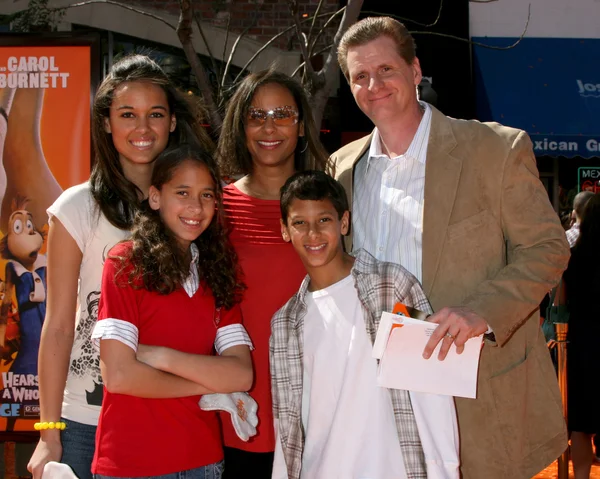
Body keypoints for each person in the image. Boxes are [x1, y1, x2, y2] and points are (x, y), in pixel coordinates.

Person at [331, 16, 570, 479]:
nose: (373, 84)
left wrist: (481, 311)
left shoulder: (494, 150)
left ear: (415, 71)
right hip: (377, 401)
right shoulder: (342, 167)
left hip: (474, 396)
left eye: (386, 69)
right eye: (360, 76)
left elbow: (546, 247)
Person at [27, 54, 210, 479]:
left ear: (171, 124)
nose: (142, 129)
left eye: (155, 115)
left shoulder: (194, 208)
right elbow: (56, 326)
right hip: (86, 425)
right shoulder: (77, 208)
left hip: (175, 418)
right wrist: (48, 431)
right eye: (128, 114)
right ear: (107, 122)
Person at [271, 170, 459, 479]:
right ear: (285, 230)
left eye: (324, 220)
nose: (313, 234)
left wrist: (445, 471)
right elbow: (287, 423)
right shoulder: (284, 323)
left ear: (343, 222)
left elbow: (433, 390)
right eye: (299, 223)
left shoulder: (393, 286)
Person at [90, 143, 253, 478]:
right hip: (131, 463)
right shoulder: (125, 263)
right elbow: (120, 376)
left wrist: (161, 357)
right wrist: (210, 383)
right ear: (155, 197)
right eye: (183, 192)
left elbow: (241, 375)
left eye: (207, 195)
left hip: (203, 461)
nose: (196, 206)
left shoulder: (217, 271)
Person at [217, 69, 330, 477]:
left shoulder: (326, 204)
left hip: (315, 407)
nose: (269, 126)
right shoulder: (211, 208)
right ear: (240, 126)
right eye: (255, 115)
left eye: (282, 114)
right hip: (231, 408)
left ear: (301, 126)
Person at [562, 193, 600, 479]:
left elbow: (559, 301)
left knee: (581, 423)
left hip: (582, 342)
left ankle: (582, 477)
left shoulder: (573, 256)